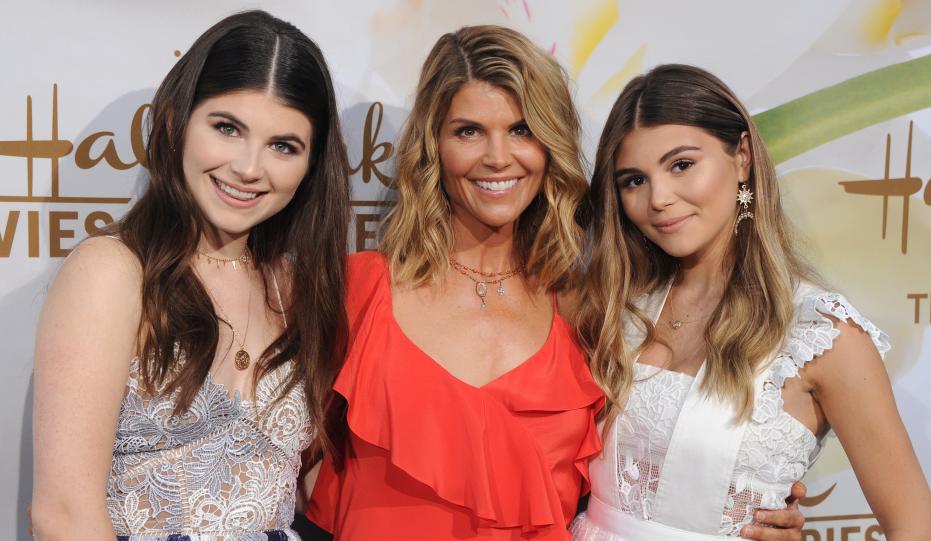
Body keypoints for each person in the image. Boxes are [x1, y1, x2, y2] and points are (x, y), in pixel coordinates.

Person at [304, 26, 804, 541]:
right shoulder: (358, 291)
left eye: (522, 130)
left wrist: (751, 501)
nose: (498, 157)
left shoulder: (590, 308)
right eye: (469, 131)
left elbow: (647, 467)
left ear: (550, 145)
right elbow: (267, 472)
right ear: (434, 146)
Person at [570, 64, 931, 540]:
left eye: (681, 165)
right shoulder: (611, 306)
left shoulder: (821, 335)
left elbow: (919, 529)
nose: (659, 198)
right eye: (633, 181)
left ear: (742, 156)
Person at [30, 11, 351, 540]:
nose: (250, 167)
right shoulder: (113, 273)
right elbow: (63, 514)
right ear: (178, 122)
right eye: (227, 128)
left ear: (312, 163)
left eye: (283, 146)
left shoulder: (294, 287)